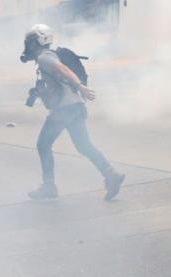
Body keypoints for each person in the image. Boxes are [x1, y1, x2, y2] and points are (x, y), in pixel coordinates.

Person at [21, 24, 125, 202]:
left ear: (36, 42)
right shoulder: (46, 57)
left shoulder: (45, 57)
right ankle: (110, 174)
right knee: (83, 145)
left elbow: (63, 70)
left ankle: (49, 186)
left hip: (64, 109)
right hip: (75, 107)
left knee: (43, 145)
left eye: (30, 42)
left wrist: (79, 86)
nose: (28, 46)